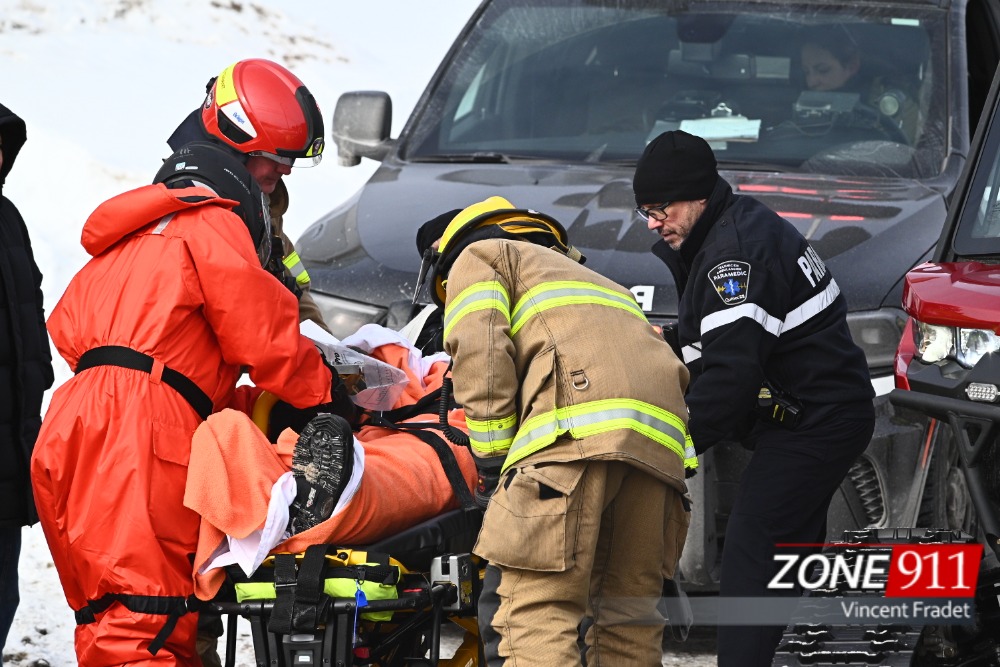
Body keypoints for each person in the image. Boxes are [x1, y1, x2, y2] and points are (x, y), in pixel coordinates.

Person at [30, 142, 344, 667]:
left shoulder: (124, 245)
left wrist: (254, 403)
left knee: (105, 616)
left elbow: (161, 370)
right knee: (148, 622)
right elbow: (264, 335)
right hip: (138, 437)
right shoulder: (210, 222)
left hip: (73, 424)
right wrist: (326, 393)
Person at [417, 196, 696, 666]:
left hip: (570, 449)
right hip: (658, 462)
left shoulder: (481, 257)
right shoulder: (606, 286)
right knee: (627, 622)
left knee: (534, 612)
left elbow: (480, 354)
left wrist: (492, 464)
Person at [632, 129, 876, 666]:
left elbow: (730, 379)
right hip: (814, 412)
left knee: (751, 553)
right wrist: (666, 342)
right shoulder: (730, 225)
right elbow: (725, 335)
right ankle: (788, 652)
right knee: (784, 559)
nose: (652, 222)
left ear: (697, 194)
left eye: (659, 208)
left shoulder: (733, 257)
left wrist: (664, 449)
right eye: (643, 210)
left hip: (815, 422)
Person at [167, 58, 331, 333]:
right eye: (276, 157)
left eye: (290, 159)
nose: (286, 170)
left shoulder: (262, 211)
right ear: (234, 142)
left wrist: (332, 355)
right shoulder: (191, 218)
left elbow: (293, 294)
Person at [0, 103, 55, 666]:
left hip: (11, 441)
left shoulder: (7, 216)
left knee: (2, 595)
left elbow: (28, 305)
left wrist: (38, 375)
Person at [798, 24, 921, 144]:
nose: (811, 82)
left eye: (823, 70)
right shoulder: (796, 102)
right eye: (806, 72)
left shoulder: (893, 104)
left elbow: (902, 155)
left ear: (852, 66)